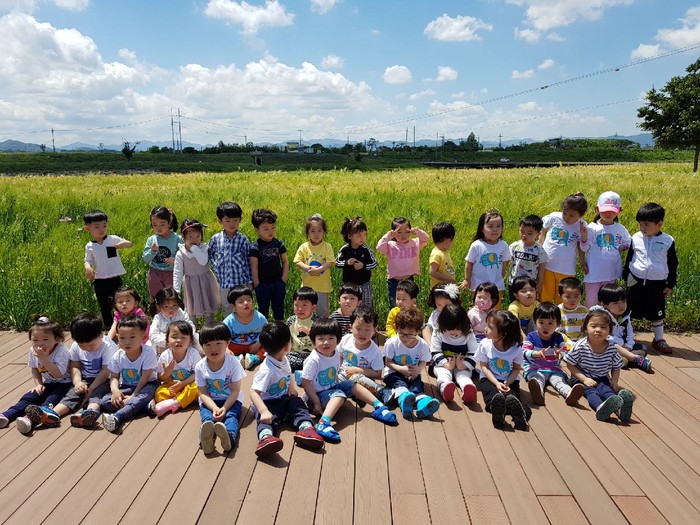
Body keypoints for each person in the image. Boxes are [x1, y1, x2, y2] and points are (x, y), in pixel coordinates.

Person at [301, 318, 397, 443]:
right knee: (339, 395)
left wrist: (338, 382)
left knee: (352, 384)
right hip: (316, 395)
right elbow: (306, 382)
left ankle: (379, 407)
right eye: (321, 339)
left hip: (331, 388)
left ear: (338, 340)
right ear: (313, 341)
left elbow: (335, 371)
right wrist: (316, 402)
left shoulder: (335, 353)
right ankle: (323, 423)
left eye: (331, 338)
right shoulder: (314, 359)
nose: (326, 342)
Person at [249, 322, 324, 458]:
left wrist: (291, 387)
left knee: (297, 403)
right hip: (267, 403)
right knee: (265, 420)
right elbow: (254, 392)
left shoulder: (283, 359)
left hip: (283, 397)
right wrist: (263, 410)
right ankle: (266, 438)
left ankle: (306, 428)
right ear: (286, 346)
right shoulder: (267, 369)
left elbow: (288, 373)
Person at [0, 316, 71, 434]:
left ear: (57, 339)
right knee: (30, 396)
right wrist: (38, 384)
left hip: (65, 383)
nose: (40, 343)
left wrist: (44, 358)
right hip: (48, 382)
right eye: (35, 340)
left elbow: (58, 374)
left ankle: (30, 419)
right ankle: (7, 415)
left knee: (51, 399)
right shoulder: (33, 350)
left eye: (45, 339)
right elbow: (35, 369)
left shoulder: (61, 351)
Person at [623, 202, 678, 354]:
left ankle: (659, 339)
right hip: (636, 281)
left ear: (659, 224)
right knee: (629, 310)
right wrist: (626, 276)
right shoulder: (636, 237)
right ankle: (626, 336)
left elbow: (673, 264)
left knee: (657, 312)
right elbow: (630, 258)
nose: (643, 228)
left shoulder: (667, 241)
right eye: (640, 224)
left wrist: (670, 284)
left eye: (646, 224)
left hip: (657, 283)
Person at [563, 308, 635, 422]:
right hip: (583, 377)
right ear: (585, 329)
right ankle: (600, 408)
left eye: (603, 327)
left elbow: (616, 367)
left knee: (607, 391)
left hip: (602, 377)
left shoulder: (612, 347)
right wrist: (584, 379)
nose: (598, 330)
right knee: (592, 393)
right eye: (593, 326)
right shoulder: (580, 346)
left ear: (609, 331)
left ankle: (620, 410)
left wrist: (615, 381)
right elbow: (570, 364)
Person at [52, 313, 117, 428]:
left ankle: (90, 412)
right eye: (83, 346)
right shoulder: (75, 346)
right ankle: (53, 413)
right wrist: (77, 382)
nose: (87, 349)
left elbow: (105, 371)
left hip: (106, 380)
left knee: (97, 394)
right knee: (73, 393)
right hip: (85, 378)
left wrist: (91, 389)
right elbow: (75, 365)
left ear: (101, 335)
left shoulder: (108, 346)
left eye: (91, 346)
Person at [100, 314, 159, 433]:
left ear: (144, 336)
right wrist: (115, 391)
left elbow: (145, 377)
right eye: (122, 338)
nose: (127, 342)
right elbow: (114, 377)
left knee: (141, 396)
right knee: (105, 401)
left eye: (132, 337)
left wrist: (134, 395)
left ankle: (118, 416)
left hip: (148, 384)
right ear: (117, 337)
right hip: (126, 386)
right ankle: (144, 406)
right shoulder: (118, 355)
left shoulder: (148, 353)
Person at [195, 322, 246, 454]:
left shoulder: (233, 363)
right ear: (201, 346)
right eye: (208, 344)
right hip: (210, 401)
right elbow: (203, 392)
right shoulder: (200, 366)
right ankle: (205, 441)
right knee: (207, 419)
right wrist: (214, 408)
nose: (213, 348)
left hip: (231, 400)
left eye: (218, 343)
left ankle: (229, 437)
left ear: (227, 343)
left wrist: (224, 408)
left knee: (231, 417)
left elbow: (235, 391)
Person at [380, 308, 440, 420]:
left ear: (418, 331)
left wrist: (417, 371)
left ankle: (423, 403)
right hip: (394, 373)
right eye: (402, 333)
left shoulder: (422, 345)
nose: (405, 337)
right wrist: (401, 369)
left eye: (410, 334)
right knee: (400, 385)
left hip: (413, 373)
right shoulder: (392, 343)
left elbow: (424, 361)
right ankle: (404, 399)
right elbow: (388, 362)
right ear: (396, 328)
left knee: (417, 386)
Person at [475, 310, 531, 431]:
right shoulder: (485, 344)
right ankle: (498, 414)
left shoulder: (516, 348)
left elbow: (516, 369)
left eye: (490, 327)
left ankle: (522, 414)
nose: (485, 329)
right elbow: (484, 367)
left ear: (503, 333)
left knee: (512, 398)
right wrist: (496, 383)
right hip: (489, 378)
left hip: (509, 379)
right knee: (493, 397)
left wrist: (507, 382)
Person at [522, 303, 585, 406]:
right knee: (537, 380)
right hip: (535, 368)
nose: (545, 327)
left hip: (553, 369)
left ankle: (570, 394)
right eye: (541, 322)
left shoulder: (558, 337)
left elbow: (565, 351)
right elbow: (523, 352)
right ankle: (538, 394)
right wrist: (535, 353)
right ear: (535, 321)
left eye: (550, 323)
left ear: (558, 323)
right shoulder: (531, 337)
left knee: (559, 382)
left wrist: (561, 354)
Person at [580, 191, 631, 308]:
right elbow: (584, 247)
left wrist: (623, 247)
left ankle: (607, 320)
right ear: (597, 209)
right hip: (593, 273)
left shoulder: (620, 228)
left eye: (612, 211)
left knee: (608, 303)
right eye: (604, 210)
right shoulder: (592, 228)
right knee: (591, 303)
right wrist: (584, 238)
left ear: (619, 210)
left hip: (611, 273)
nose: (608, 213)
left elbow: (629, 241)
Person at [83, 209, 132, 327]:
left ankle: (123, 324)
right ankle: (109, 326)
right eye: (97, 226)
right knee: (104, 305)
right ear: (88, 228)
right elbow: (88, 260)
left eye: (104, 225)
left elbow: (129, 243)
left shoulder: (112, 239)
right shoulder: (90, 246)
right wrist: (88, 268)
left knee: (119, 302)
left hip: (115, 279)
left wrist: (123, 244)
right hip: (100, 280)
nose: (102, 229)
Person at [539, 193, 588, 304]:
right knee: (545, 295)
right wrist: (541, 241)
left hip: (566, 268)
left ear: (581, 215)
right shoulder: (555, 217)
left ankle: (562, 315)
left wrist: (582, 261)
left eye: (571, 215)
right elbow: (543, 226)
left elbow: (581, 246)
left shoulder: (582, 225)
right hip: (547, 264)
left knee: (563, 298)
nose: (566, 217)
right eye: (564, 213)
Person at [208, 201, 253, 316]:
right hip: (224, 282)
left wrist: (249, 281)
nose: (232, 224)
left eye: (235, 220)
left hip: (240, 282)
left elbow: (248, 261)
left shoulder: (243, 240)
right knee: (226, 306)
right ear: (220, 221)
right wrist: (215, 267)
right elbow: (209, 253)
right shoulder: (216, 238)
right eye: (227, 221)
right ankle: (229, 325)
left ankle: (243, 324)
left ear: (240, 220)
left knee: (242, 305)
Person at [460, 208, 511, 306]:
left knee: (495, 309)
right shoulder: (477, 245)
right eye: (490, 226)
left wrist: (502, 272)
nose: (495, 229)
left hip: (497, 286)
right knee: (479, 308)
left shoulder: (503, 245)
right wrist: (467, 279)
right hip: (479, 286)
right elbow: (469, 263)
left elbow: (506, 260)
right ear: (482, 228)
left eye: (498, 226)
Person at [173, 218, 220, 324]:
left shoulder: (203, 248)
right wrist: (176, 290)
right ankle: (192, 329)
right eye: (190, 237)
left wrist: (194, 249)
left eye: (198, 236)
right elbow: (178, 272)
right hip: (191, 284)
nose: (194, 240)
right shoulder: (181, 253)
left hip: (205, 281)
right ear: (183, 237)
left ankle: (209, 328)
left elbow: (203, 261)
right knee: (191, 309)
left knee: (208, 307)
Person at [150, 321, 201, 418]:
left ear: (190, 341)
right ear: (167, 341)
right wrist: (167, 373)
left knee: (197, 388)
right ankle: (183, 399)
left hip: (189, 383)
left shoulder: (193, 353)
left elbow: (198, 374)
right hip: (173, 385)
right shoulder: (165, 355)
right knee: (159, 393)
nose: (178, 340)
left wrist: (182, 384)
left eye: (183, 337)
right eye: (174, 337)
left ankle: (175, 403)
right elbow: (160, 378)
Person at [429, 304, 478, 404]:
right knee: (443, 374)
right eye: (450, 329)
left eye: (458, 328)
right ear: (443, 325)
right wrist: (446, 364)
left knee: (463, 375)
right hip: (443, 363)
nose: (454, 332)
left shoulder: (468, 334)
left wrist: (463, 365)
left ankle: (467, 387)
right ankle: (445, 387)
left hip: (462, 364)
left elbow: (474, 353)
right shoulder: (438, 332)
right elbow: (435, 351)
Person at [376, 217, 429, 308]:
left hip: (409, 280)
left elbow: (426, 238)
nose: (403, 235)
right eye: (399, 232)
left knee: (410, 304)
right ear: (394, 233)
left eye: (407, 232)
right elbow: (379, 246)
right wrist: (389, 235)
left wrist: (417, 232)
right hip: (394, 282)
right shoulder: (390, 245)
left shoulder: (415, 243)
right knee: (395, 304)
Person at [598, 284, 652, 372]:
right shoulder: (602, 316)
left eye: (623, 301)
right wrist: (620, 343)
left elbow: (630, 332)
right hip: (608, 345)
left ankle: (622, 360)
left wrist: (629, 346)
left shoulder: (626, 315)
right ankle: (633, 359)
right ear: (604, 304)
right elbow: (604, 336)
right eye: (616, 303)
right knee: (613, 347)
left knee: (643, 349)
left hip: (624, 346)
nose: (621, 306)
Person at [294, 214, 336, 318]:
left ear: (324, 232)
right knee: (306, 310)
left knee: (323, 312)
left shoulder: (327, 246)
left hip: (322, 286)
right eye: (312, 231)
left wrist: (319, 269)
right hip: (307, 286)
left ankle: (323, 327)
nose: (316, 234)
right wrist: (308, 268)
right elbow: (297, 261)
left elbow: (330, 262)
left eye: (319, 231)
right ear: (307, 233)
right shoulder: (304, 247)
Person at [250, 208, 289, 321]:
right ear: (257, 230)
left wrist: (283, 279)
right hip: (263, 285)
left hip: (278, 282)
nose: (270, 231)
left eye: (273, 227)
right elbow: (254, 266)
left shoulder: (278, 243)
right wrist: (257, 284)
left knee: (279, 309)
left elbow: (285, 261)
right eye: (266, 229)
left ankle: (279, 328)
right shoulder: (255, 247)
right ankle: (263, 329)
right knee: (263, 311)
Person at [337, 305, 384, 394]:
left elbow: (377, 373)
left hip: (363, 380)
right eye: (358, 328)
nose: (362, 333)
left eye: (367, 329)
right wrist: (337, 368)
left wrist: (357, 370)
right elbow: (340, 355)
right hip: (343, 375)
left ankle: (381, 391)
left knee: (357, 378)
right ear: (351, 327)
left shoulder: (374, 351)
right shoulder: (346, 340)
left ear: (374, 330)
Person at [142, 206, 182, 300]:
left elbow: (184, 256)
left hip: (171, 273)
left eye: (162, 224)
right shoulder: (152, 239)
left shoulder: (177, 239)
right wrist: (152, 251)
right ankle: (156, 309)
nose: (158, 228)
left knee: (171, 298)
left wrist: (175, 260)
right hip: (155, 273)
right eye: (155, 225)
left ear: (169, 222)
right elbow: (145, 259)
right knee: (156, 297)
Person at [336, 216, 378, 307]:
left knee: (366, 305)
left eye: (364, 235)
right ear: (350, 236)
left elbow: (374, 263)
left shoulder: (366, 249)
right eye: (359, 235)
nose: (362, 238)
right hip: (349, 285)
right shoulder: (345, 249)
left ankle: (367, 316)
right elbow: (337, 263)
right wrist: (347, 263)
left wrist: (363, 266)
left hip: (364, 283)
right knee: (349, 306)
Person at [223, 285, 267, 370]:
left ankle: (254, 358)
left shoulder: (260, 317)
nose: (246, 303)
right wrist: (226, 349)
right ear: (233, 305)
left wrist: (259, 343)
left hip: (254, 345)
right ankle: (237, 359)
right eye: (241, 301)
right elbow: (223, 338)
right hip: (235, 346)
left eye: (248, 300)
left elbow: (266, 332)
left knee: (270, 347)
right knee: (222, 351)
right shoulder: (229, 321)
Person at [507, 214, 547, 300]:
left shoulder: (539, 250)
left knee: (528, 305)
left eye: (529, 233)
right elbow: (506, 260)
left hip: (530, 285)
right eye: (522, 232)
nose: (524, 235)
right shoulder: (514, 246)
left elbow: (542, 267)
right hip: (514, 282)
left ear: (538, 234)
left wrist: (539, 283)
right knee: (514, 304)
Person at [148, 287, 197, 354]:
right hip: (165, 343)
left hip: (181, 340)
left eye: (174, 305)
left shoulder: (182, 314)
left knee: (196, 339)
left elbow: (191, 327)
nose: (171, 309)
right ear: (159, 307)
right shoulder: (158, 318)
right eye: (166, 306)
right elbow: (152, 334)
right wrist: (167, 342)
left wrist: (186, 338)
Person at [286, 287, 320, 371]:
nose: (300, 309)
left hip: (312, 354)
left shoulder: (317, 322)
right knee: (283, 360)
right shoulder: (291, 320)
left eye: (304, 305)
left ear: (313, 308)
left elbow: (322, 338)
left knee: (317, 361)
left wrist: (310, 332)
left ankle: (306, 369)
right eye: (296, 305)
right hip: (295, 354)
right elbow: (286, 338)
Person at [557, 277, 588, 345]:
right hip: (563, 342)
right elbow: (558, 330)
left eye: (576, 296)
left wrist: (580, 341)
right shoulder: (558, 311)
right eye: (568, 297)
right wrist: (568, 342)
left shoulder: (584, 311)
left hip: (581, 342)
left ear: (581, 296)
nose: (572, 300)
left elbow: (586, 328)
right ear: (560, 296)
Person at [429, 221, 457, 289]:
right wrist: (448, 279)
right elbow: (433, 272)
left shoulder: (444, 253)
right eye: (452, 240)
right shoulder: (436, 254)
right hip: (439, 290)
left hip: (446, 288)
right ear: (447, 241)